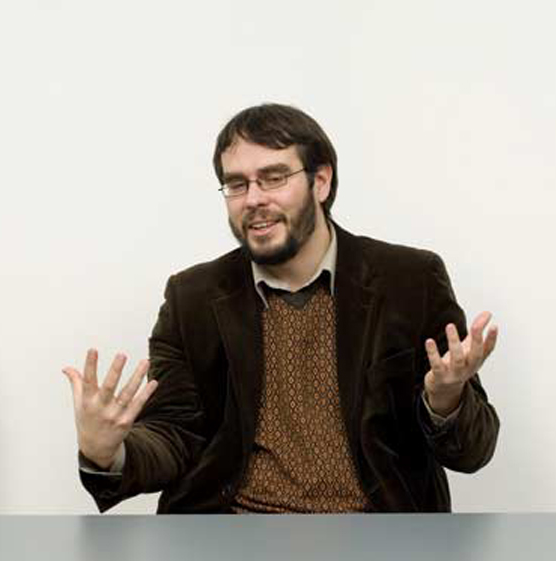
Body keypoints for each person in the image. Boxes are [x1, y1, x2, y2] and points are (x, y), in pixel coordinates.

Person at [66, 104, 499, 513]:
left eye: (273, 178)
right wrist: (108, 453)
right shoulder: (191, 297)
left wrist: (445, 401)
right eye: (237, 184)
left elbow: (473, 452)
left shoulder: (411, 280)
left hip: (378, 535)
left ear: (321, 182)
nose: (253, 198)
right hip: (232, 535)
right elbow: (175, 433)